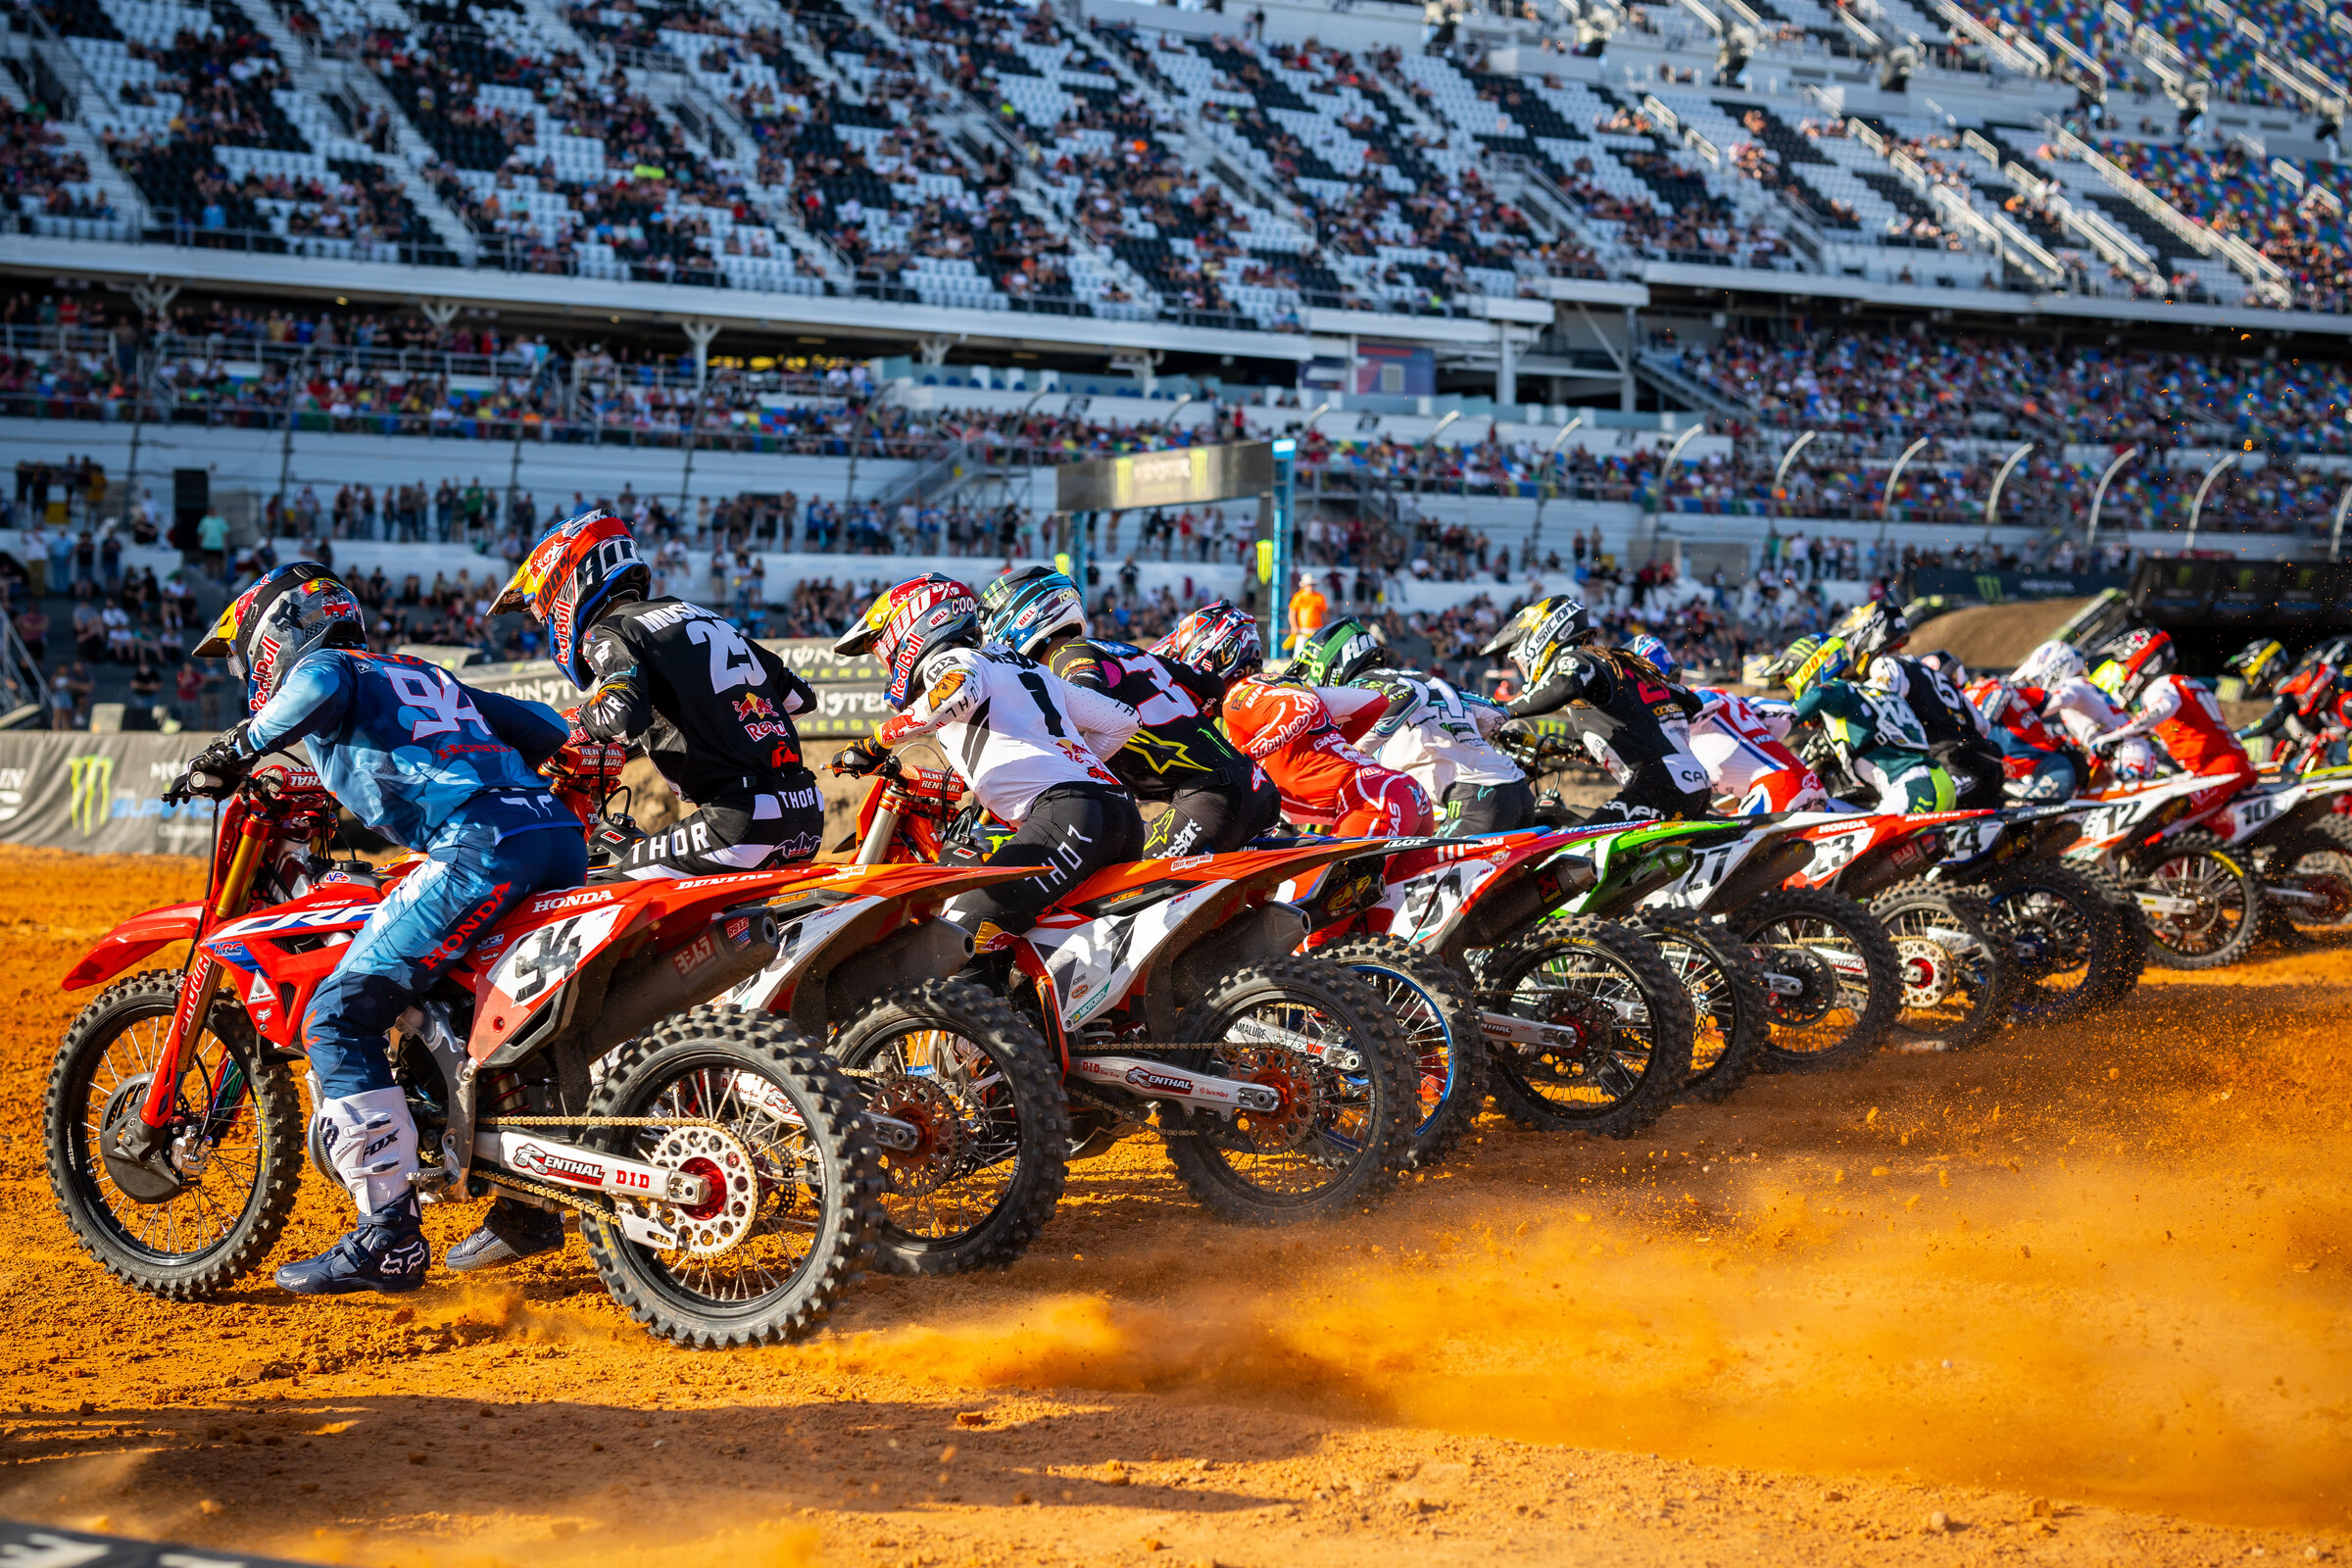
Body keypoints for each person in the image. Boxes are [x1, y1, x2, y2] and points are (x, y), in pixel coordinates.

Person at [178, 563, 584, 1297]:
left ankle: (388, 1236)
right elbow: (547, 727)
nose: (248, 670)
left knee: (337, 1015)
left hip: (478, 845)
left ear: (278, 634)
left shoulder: (329, 668)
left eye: (246, 655)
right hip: (553, 834)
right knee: (489, 1014)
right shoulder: (416, 670)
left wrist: (233, 749)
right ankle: (529, 1203)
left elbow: (318, 688)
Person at [495, 510, 823, 880]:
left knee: (600, 885)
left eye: (545, 612)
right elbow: (799, 697)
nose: (548, 621)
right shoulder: (698, 614)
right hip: (806, 810)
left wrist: (573, 724)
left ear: (567, 584)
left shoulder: (610, 629)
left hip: (740, 819)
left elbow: (621, 714)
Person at [832, 575, 1145, 951]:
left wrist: (875, 742)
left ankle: (955, 1010)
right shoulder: (1027, 667)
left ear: (913, 627)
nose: (887, 664)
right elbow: (1123, 719)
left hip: (1068, 816)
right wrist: (1074, 766)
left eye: (883, 651)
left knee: (952, 938)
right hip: (1121, 814)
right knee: (1038, 940)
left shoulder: (952, 659)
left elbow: (957, 690)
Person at [980, 569, 1270, 856]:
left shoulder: (1067, 655)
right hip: (1252, 785)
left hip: (1211, 798)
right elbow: (1213, 687)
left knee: (1119, 874)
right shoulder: (1124, 650)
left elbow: (1087, 697)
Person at [1479, 597, 1710, 823]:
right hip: (1695, 783)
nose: (1522, 671)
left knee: (1572, 852)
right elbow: (1692, 702)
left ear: (1538, 640)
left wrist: (1499, 709)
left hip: (1657, 785)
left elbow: (1567, 685)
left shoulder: (1577, 657)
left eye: (1519, 663)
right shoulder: (1620, 663)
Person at [1294, 615, 1530, 835]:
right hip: (1517, 791)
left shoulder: (1360, 686)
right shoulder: (1423, 678)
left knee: (1412, 876)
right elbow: (1495, 711)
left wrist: (1357, 750)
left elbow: (1402, 696)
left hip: (1474, 801)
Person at [1833, 602, 2005, 808]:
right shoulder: (1924, 668)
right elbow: (1982, 725)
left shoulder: (1885, 665)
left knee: (1892, 825)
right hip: (1987, 763)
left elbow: (1885, 702)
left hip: (1952, 764)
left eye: (1849, 645)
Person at [1641, 635, 1828, 814]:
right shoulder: (1729, 698)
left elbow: (1704, 703)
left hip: (1775, 788)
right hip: (1807, 781)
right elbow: (1785, 712)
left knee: (1709, 842)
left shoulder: (1693, 700)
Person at [1778, 634, 1955, 812]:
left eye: (1792, 687)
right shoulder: (1869, 691)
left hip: (1912, 787)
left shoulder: (1841, 692)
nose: (1794, 693)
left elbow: (1820, 695)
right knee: (1828, 813)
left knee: (1869, 836)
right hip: (1936, 780)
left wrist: (1771, 721)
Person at [2088, 628, 2255, 814]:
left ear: (2141, 660)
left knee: (2158, 828)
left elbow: (2163, 707)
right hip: (2226, 766)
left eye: (2125, 666)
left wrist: (2116, 735)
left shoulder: (2160, 686)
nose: (2125, 675)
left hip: (2217, 771)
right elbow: (2180, 726)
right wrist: (2148, 732)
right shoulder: (2182, 682)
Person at [2015, 638, 2151, 784]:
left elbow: (2056, 701)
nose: (2038, 685)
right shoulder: (2083, 685)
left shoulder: (2073, 685)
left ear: (2054, 669)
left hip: (2126, 756)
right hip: (2129, 752)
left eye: (2037, 680)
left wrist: (2020, 708)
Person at [1964, 671, 2082, 802]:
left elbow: (2001, 696)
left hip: (2032, 766)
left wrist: (1980, 730)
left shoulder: (1977, 693)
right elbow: (2044, 698)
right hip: (2037, 765)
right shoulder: (1996, 688)